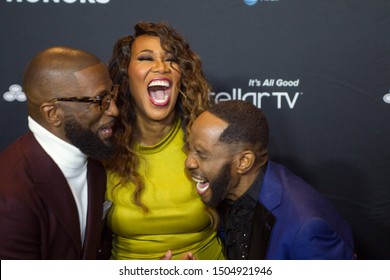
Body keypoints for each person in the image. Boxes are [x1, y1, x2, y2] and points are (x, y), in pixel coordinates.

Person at [104, 21, 225, 260]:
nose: (161, 67)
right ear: (126, 76)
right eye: (146, 58)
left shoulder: (205, 140)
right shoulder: (103, 147)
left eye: (171, 59)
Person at [185, 100, 356, 259]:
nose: (189, 163)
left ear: (244, 162)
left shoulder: (305, 228)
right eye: (189, 149)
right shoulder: (229, 188)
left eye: (202, 154)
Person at [0, 46, 119, 259]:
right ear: (53, 114)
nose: (114, 110)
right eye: (99, 101)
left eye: (112, 94)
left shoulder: (94, 163)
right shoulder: (10, 196)